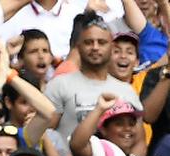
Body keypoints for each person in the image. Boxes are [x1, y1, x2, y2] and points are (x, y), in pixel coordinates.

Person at [44, 13, 142, 142]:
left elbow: (139, 142)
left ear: (111, 48)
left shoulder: (127, 90)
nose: (95, 47)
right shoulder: (59, 85)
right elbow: (44, 134)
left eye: (101, 42)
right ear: (78, 46)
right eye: (89, 42)